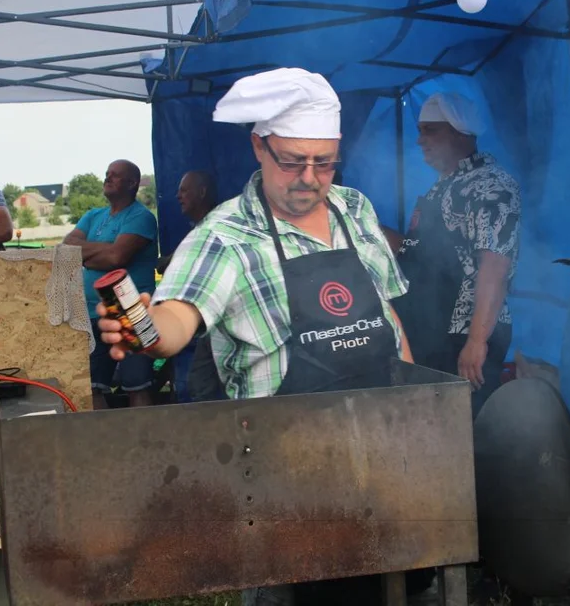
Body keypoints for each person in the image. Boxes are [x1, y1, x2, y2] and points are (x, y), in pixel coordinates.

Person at [95, 67, 414, 606]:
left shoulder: (354, 209)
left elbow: (386, 315)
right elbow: (177, 321)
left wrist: (414, 405)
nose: (310, 178)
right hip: (278, 473)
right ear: (259, 148)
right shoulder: (222, 236)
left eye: (325, 162)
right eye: (293, 161)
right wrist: (145, 330)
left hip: (373, 449)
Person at [382, 92, 521, 419]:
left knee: (464, 430)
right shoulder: (443, 186)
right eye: (419, 130)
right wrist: (368, 228)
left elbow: (495, 263)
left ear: (459, 132)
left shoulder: (491, 184)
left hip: (464, 335)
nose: (419, 141)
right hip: (431, 330)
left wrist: (476, 342)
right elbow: (417, 253)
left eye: (430, 131)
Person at [64, 159, 160, 409]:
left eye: (115, 175)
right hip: (93, 311)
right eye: (107, 174)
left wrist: (88, 255)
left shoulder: (141, 217)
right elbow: (67, 249)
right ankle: (105, 444)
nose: (108, 178)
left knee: (136, 384)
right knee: (93, 386)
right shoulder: (92, 215)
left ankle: (147, 443)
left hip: (132, 310)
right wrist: (104, 252)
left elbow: (118, 257)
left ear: (133, 183)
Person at [156, 169, 222, 403]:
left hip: (217, 323)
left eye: (184, 190)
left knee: (201, 388)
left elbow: (168, 264)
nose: (178, 196)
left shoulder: (217, 227)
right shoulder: (200, 229)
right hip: (205, 325)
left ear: (202, 192)